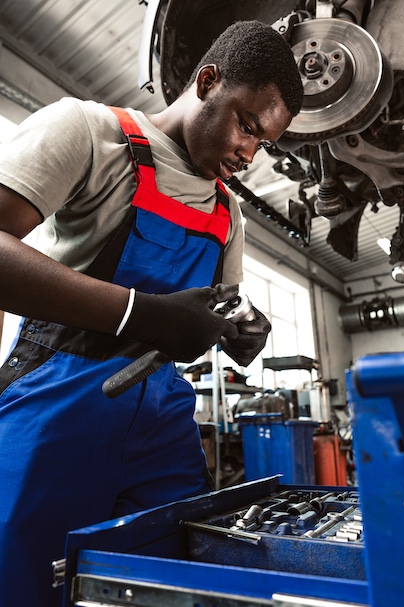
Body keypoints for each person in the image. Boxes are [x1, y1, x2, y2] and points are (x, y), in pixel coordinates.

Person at [0, 19, 303, 607]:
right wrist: (143, 315)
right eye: (247, 125)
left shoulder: (227, 212)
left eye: (264, 143)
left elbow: (209, 310)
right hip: (58, 404)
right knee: (26, 580)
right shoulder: (90, 131)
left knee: (164, 581)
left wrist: (236, 331)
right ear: (208, 81)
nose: (249, 152)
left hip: (163, 420)